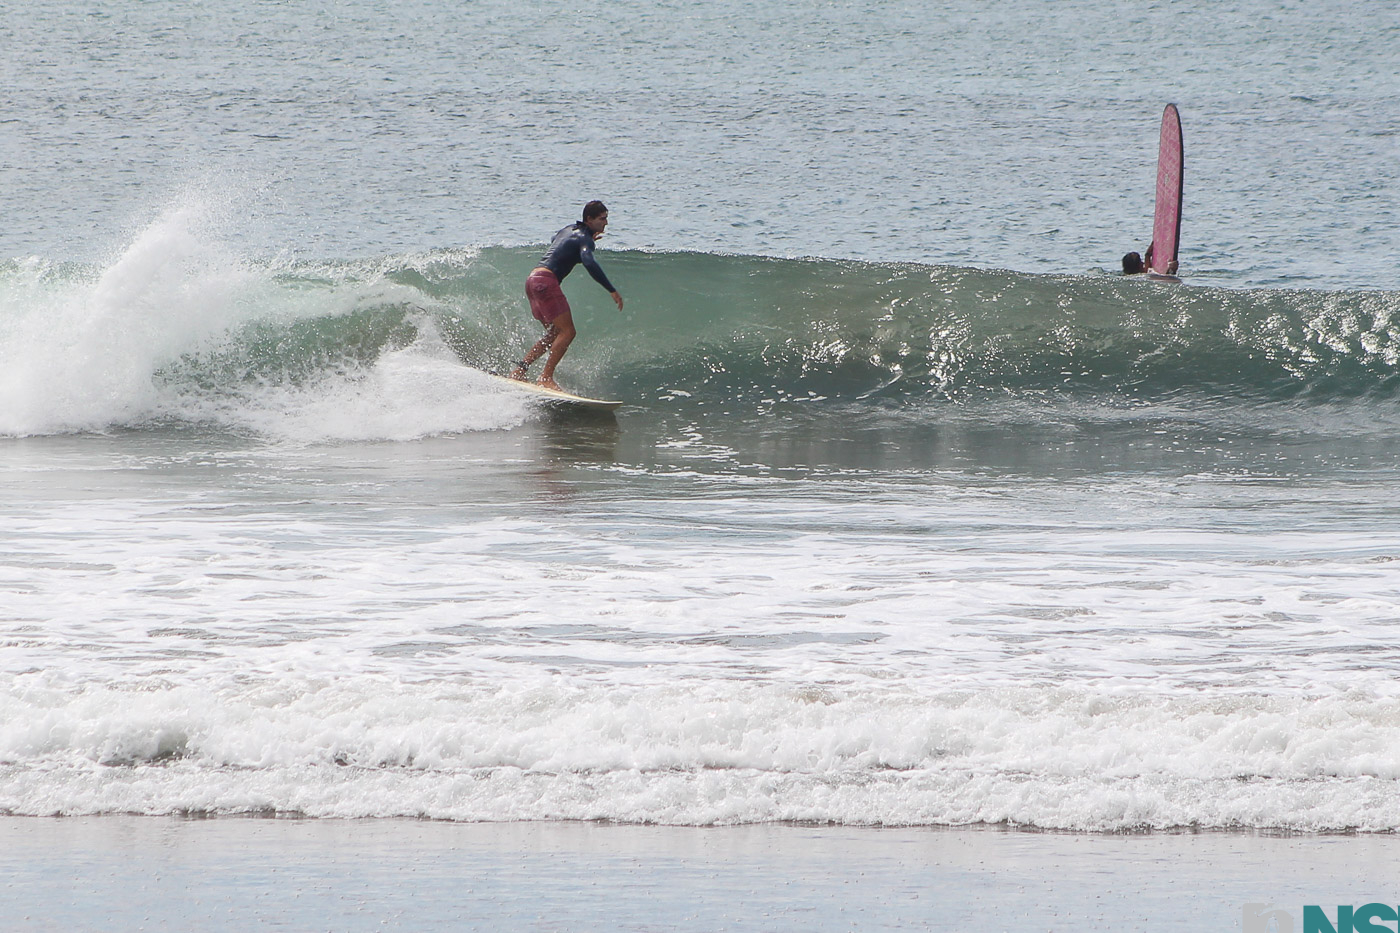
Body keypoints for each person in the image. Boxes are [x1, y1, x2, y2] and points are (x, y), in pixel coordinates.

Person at [510, 200, 624, 391]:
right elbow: (589, 262)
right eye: (602, 219)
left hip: (532, 281)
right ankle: (545, 377)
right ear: (589, 219)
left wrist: (578, 244)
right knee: (568, 332)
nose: (606, 223)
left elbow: (554, 239)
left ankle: (520, 371)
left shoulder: (568, 229)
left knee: (555, 333)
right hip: (546, 282)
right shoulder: (585, 239)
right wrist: (611, 289)